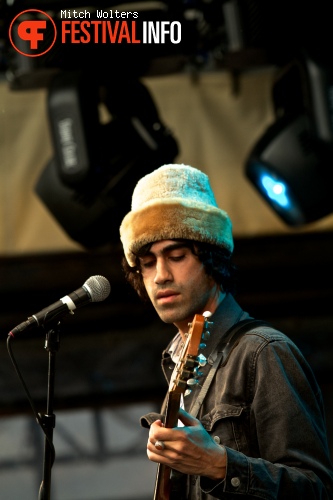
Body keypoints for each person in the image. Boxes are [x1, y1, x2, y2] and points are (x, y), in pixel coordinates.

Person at [119, 163, 333, 499]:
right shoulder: (176, 363)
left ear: (213, 259)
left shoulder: (263, 351)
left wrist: (221, 465)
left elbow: (317, 491)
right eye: (147, 262)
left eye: (176, 255)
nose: (160, 275)